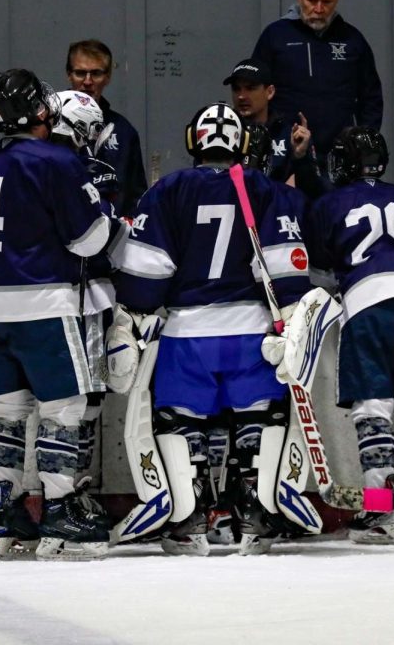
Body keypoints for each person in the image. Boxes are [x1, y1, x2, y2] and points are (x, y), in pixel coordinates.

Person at [115, 101, 312, 556]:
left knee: (182, 420)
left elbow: (147, 274)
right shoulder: (266, 189)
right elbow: (288, 273)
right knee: (258, 417)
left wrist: (142, 309)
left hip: (187, 336)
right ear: (242, 143)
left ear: (193, 141)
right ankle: (256, 515)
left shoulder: (167, 191)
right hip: (252, 335)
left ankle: (189, 517)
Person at [0, 69, 119, 561]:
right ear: (41, 110)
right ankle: (60, 507)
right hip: (41, 302)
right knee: (64, 409)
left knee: (5, 411)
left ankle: (7, 510)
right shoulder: (57, 161)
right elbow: (89, 239)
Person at [305, 126, 394, 544]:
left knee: (374, 407)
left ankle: (382, 511)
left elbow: (320, 275)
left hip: (366, 301)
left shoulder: (328, 203)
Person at [48, 89, 129, 528]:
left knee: (87, 399)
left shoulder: (95, 171)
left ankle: (71, 490)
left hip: (87, 293)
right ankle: (61, 497)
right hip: (65, 295)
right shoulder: (62, 169)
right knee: (68, 402)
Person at [251, 0, 383, 162]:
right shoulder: (275, 36)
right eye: (312, 0)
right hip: (284, 152)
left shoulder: (352, 40)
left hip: (339, 155)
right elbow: (255, 91)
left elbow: (371, 97)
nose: (319, 9)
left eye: (327, 1)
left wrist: (363, 143)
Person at [66, 39, 148, 214]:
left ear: (108, 76)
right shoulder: (48, 127)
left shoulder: (124, 131)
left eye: (96, 73)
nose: (87, 81)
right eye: (80, 73)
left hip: (114, 235)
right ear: (69, 74)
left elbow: (136, 195)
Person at [224, 57, 325, 198]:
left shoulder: (289, 135)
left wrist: (300, 158)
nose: (241, 96)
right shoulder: (223, 132)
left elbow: (313, 194)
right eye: (236, 89)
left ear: (270, 92)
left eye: (250, 88)